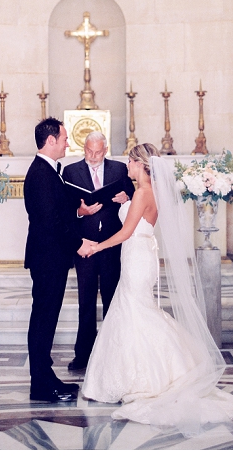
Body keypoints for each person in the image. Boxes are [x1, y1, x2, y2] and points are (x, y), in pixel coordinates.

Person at [76, 143, 233, 435]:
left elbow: (126, 231)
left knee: (136, 311)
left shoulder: (142, 193)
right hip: (140, 255)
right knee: (137, 310)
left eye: (130, 161)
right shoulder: (148, 193)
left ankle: (147, 377)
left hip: (136, 256)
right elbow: (139, 221)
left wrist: (96, 247)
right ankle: (155, 369)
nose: (126, 165)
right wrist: (126, 201)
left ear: (141, 164)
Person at [23, 117, 88, 403]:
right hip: (48, 259)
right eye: (64, 139)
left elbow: (59, 212)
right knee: (43, 320)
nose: (67, 144)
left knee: (46, 319)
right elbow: (50, 221)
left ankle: (45, 377)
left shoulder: (47, 172)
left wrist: (79, 211)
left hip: (51, 258)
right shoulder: (40, 173)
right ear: (51, 141)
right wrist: (79, 243)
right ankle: (40, 384)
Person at [61, 131, 134, 372]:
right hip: (85, 245)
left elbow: (134, 198)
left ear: (105, 150)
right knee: (86, 300)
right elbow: (65, 210)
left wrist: (126, 198)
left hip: (113, 243)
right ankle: (83, 355)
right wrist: (82, 212)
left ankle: (113, 353)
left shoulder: (119, 169)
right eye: (88, 151)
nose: (92, 156)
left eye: (97, 152)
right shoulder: (70, 171)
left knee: (113, 299)